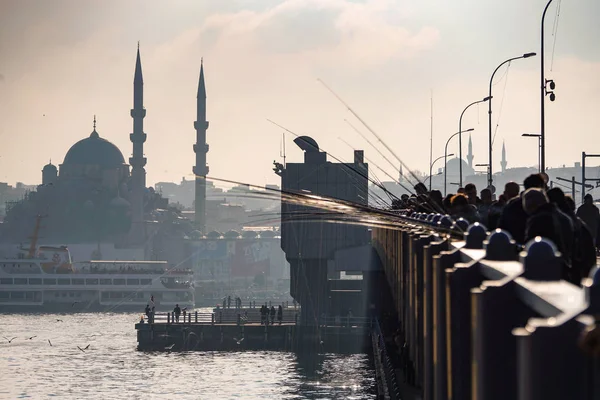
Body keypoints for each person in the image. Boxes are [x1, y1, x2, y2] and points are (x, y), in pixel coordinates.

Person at [498, 174, 545, 244]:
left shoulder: (511, 206)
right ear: (541, 187)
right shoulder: (547, 210)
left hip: (515, 248)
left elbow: (502, 230)